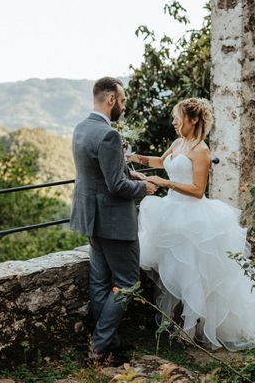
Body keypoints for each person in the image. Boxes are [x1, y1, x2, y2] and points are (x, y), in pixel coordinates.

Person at [127, 97, 255, 351]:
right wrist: (134, 158)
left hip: (194, 218)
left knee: (194, 275)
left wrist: (165, 183)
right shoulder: (178, 143)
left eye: (178, 117)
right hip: (172, 214)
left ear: (193, 120)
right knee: (181, 272)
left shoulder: (202, 151)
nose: (174, 122)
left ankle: (189, 331)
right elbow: (160, 163)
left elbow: (197, 190)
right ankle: (184, 326)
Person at [70, 76, 157, 364]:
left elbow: (101, 171)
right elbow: (116, 187)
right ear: (111, 100)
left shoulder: (81, 128)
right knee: (128, 282)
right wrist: (143, 187)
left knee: (99, 280)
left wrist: (130, 173)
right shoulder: (110, 135)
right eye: (122, 100)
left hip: (91, 218)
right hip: (114, 222)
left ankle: (107, 341)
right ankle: (99, 344)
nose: (124, 105)